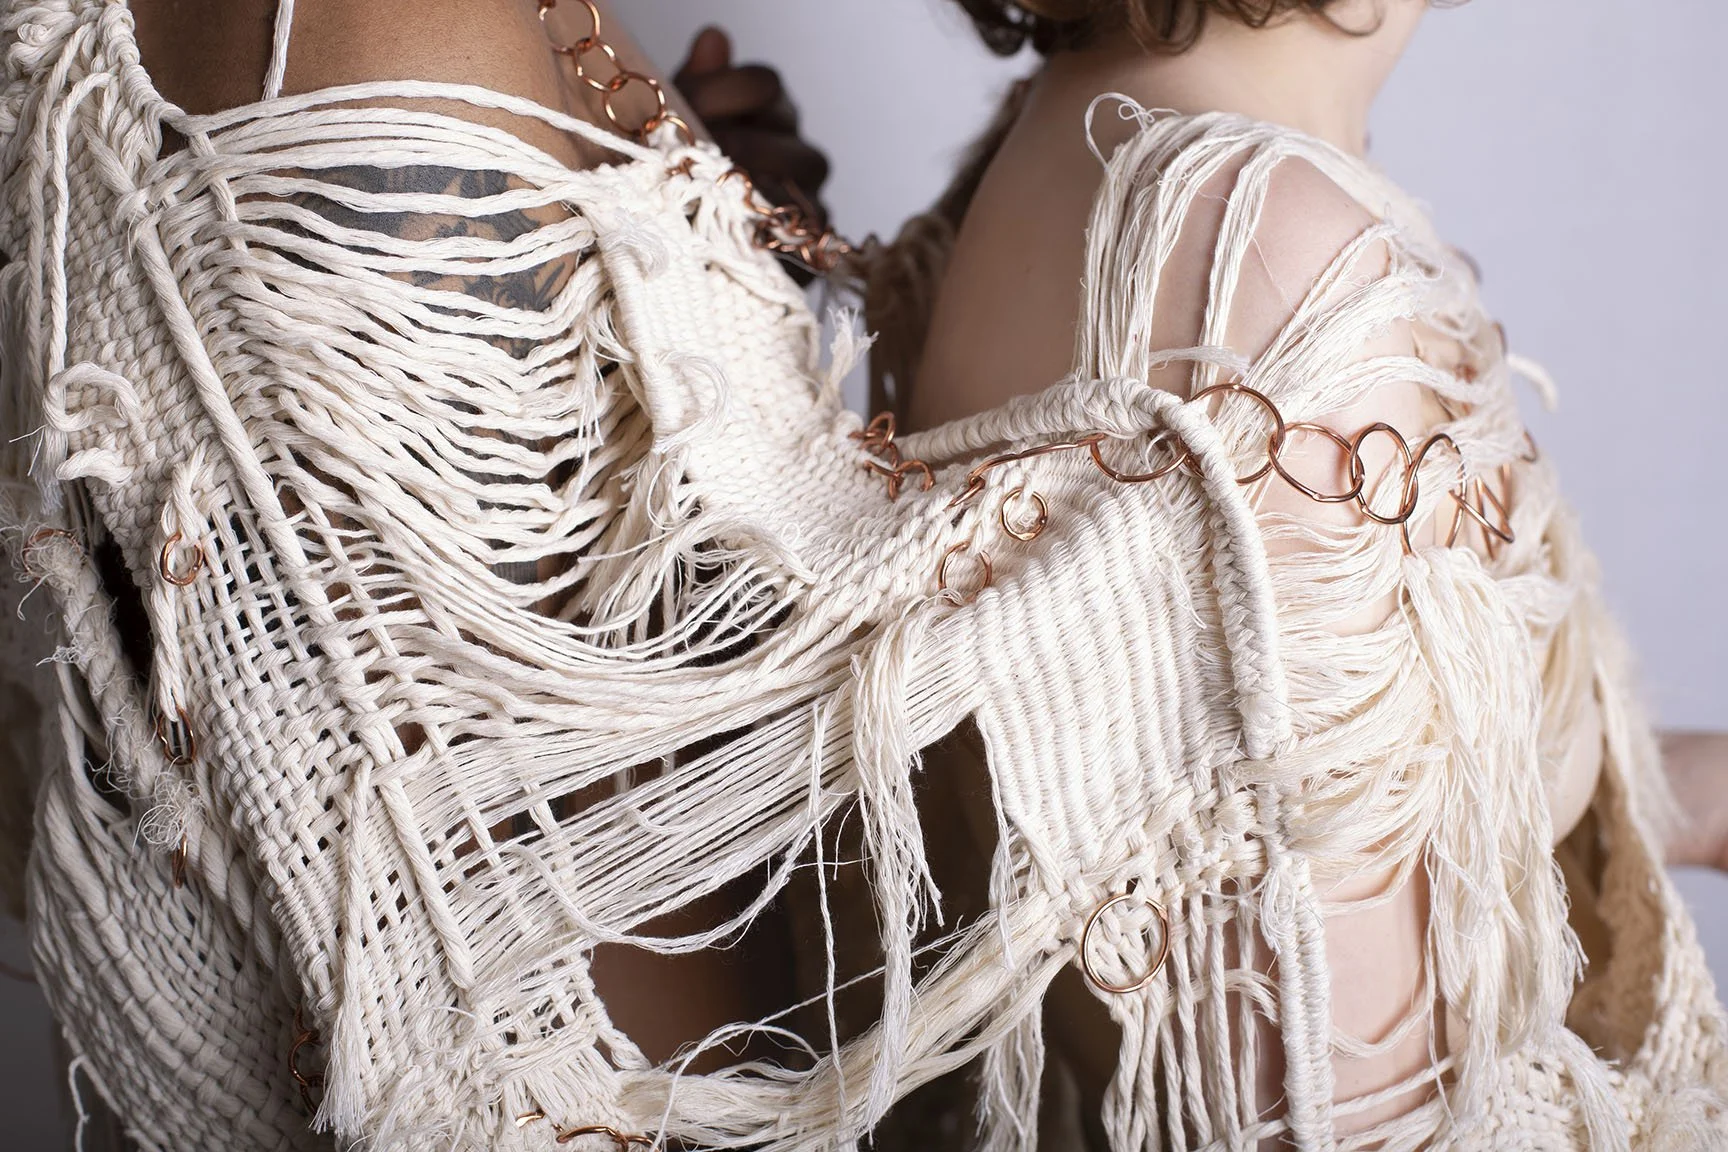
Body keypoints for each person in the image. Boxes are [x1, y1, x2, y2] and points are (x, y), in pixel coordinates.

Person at [857, 0, 1728, 1144]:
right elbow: (1330, 1114)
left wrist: (1665, 797)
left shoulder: (1098, 146)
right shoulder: (1261, 261)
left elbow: (1260, 800)